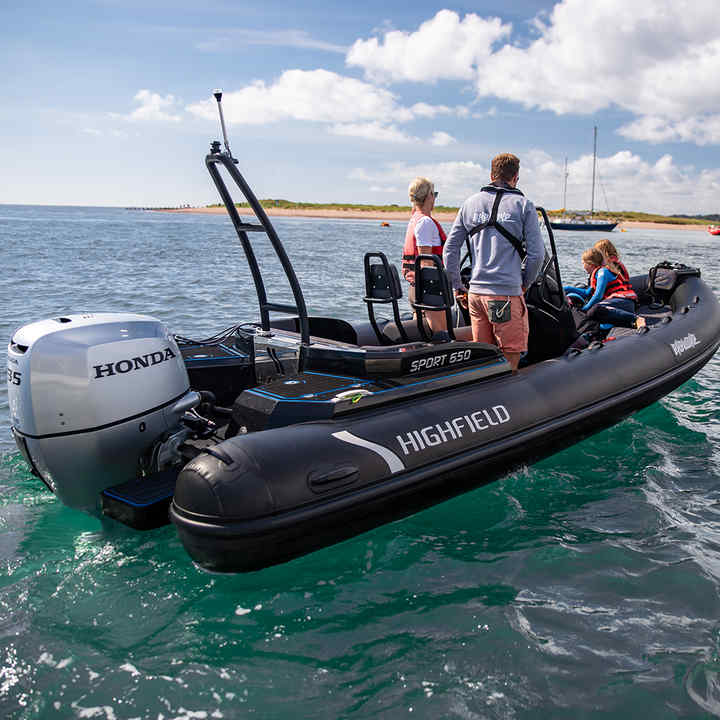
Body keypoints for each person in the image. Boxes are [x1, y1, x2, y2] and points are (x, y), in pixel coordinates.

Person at [443, 153, 544, 370]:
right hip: (504, 296)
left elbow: (450, 249)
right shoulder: (524, 205)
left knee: (483, 355)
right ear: (516, 177)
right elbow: (537, 255)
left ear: (491, 175)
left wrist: (457, 285)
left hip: (476, 295)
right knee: (510, 356)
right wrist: (524, 283)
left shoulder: (469, 203)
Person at [401, 177, 448, 336]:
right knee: (440, 334)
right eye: (434, 194)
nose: (434, 198)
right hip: (428, 289)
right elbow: (425, 261)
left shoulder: (415, 219)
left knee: (423, 333)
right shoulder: (425, 222)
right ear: (429, 196)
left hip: (417, 287)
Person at [564, 247, 645, 329]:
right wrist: (566, 289)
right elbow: (587, 293)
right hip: (614, 303)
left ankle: (636, 319)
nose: (583, 266)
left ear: (590, 263)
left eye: (583, 263)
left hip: (623, 302)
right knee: (593, 313)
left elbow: (598, 295)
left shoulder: (602, 272)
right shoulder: (596, 274)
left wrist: (585, 309)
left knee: (595, 310)